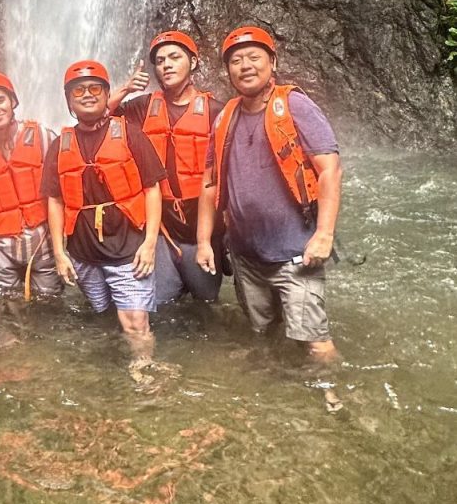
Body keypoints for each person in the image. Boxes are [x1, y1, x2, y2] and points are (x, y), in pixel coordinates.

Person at [196, 26, 343, 367]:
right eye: (235, 60)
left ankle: (338, 406)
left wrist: (324, 235)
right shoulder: (225, 117)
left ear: (272, 62)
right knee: (262, 334)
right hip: (247, 256)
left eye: (253, 57)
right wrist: (204, 240)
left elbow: (330, 170)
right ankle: (276, 395)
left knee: (316, 344)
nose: (244, 65)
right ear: (227, 70)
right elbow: (209, 183)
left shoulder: (294, 105)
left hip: (296, 254)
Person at [40, 60, 166, 372]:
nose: (86, 95)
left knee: (135, 321)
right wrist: (59, 252)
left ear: (106, 93)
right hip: (83, 252)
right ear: (69, 100)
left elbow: (153, 189)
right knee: (103, 313)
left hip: (128, 248)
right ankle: (110, 369)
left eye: (94, 88)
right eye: (78, 90)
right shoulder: (59, 145)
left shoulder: (130, 135)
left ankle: (144, 369)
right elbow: (54, 201)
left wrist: (150, 242)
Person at [109, 31, 226, 306]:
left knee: (206, 302)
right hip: (162, 226)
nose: (166, 65)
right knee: (160, 306)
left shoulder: (215, 110)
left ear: (194, 62)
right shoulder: (143, 107)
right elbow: (100, 118)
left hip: (202, 223)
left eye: (175, 57)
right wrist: (125, 89)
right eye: (160, 61)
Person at [0, 71, 61, 298]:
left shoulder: (43, 136)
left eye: (0, 100)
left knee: (50, 300)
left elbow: (63, 186)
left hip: (41, 237)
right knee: (7, 303)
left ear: (13, 102)